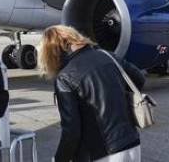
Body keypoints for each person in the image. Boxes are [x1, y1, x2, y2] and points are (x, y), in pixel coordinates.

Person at [38, 25, 145, 162]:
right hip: (131, 144)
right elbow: (139, 79)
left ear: (51, 52)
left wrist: (59, 159)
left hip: (102, 152)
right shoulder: (108, 56)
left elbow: (71, 131)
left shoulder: (65, 78)